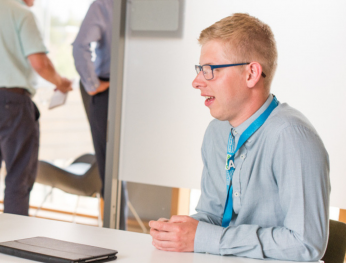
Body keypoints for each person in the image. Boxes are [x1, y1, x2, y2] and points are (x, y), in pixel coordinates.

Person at [148, 13, 330, 261]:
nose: (196, 81)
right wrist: (182, 230)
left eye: (210, 70)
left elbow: (305, 244)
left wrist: (204, 238)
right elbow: (214, 215)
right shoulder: (217, 132)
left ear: (251, 74)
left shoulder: (292, 138)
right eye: (200, 69)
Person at [0, 0, 72, 216]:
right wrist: (60, 82)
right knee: (19, 176)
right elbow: (40, 63)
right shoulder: (23, 14)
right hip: (12, 101)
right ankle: (12, 241)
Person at [72, 0, 129, 230]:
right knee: (119, 171)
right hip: (142, 90)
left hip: (110, 92)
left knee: (112, 172)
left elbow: (79, 46)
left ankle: (115, 235)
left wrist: (93, 84)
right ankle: (117, 232)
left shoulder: (106, 4)